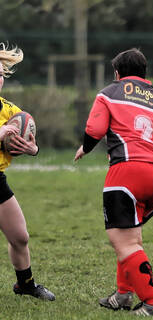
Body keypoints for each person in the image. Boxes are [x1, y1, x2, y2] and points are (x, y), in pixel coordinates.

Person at [74, 48, 153, 316]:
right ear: (144, 73)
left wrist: (85, 148)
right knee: (131, 236)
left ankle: (152, 302)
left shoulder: (109, 93)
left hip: (129, 173)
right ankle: (123, 295)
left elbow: (94, 130)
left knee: (125, 242)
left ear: (117, 73)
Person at [0, 43, 55, 300]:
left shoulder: (10, 110)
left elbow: (29, 139)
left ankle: (26, 285)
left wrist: (32, 149)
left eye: (0, 75)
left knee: (20, 237)